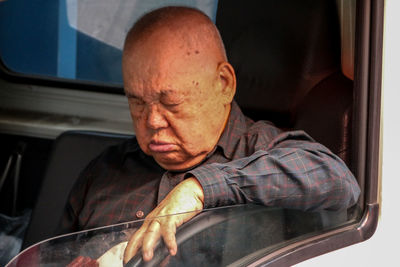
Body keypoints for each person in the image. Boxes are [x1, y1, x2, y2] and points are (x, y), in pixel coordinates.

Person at [59, 6, 361, 265]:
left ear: (224, 84)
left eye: (170, 102)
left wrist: (199, 190)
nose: (152, 120)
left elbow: (337, 180)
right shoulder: (106, 171)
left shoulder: (261, 150)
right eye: (137, 103)